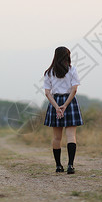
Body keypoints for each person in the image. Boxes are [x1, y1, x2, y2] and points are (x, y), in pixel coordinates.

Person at [43, 46, 83, 174]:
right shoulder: (72, 70)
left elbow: (47, 93)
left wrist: (56, 107)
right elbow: (74, 89)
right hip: (70, 103)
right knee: (71, 135)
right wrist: (65, 105)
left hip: (55, 102)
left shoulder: (49, 72)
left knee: (56, 137)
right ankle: (70, 165)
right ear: (68, 56)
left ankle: (58, 166)